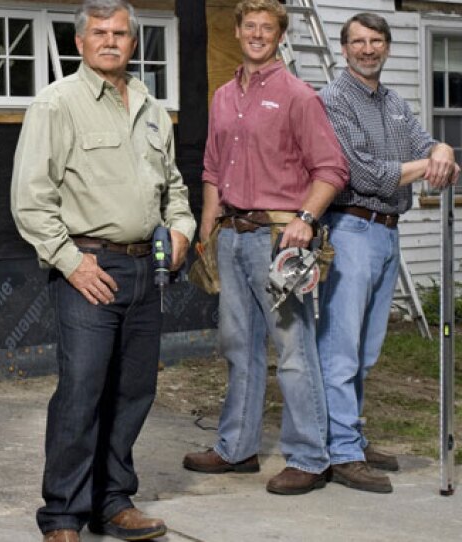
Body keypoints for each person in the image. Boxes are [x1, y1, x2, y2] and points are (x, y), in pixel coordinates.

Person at [11, 2, 194, 540]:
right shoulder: (56, 104)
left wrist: (181, 229)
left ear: (133, 44)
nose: (111, 41)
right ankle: (63, 515)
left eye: (120, 33)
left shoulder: (150, 106)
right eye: (99, 33)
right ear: (80, 42)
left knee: (133, 391)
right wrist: (71, 263)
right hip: (89, 266)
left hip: (147, 268)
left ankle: (113, 501)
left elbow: (175, 188)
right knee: (82, 391)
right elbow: (30, 199)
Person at [182, 0, 349, 495]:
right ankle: (237, 448)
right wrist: (208, 224)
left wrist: (305, 219)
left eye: (267, 28)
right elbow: (212, 167)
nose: (257, 34)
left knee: (293, 350)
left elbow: (331, 170)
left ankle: (311, 456)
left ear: (279, 36)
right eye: (249, 26)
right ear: (237, 31)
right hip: (231, 235)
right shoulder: (222, 96)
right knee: (238, 346)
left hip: (277, 240)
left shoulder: (298, 96)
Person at [316, 12, 459, 494]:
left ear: (388, 47)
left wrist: (440, 146)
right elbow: (366, 174)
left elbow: (424, 142)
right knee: (340, 350)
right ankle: (341, 453)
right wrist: (431, 162)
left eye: (376, 40)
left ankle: (352, 435)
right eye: (358, 41)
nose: (368, 49)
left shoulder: (394, 101)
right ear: (344, 47)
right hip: (350, 228)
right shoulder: (333, 100)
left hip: (387, 232)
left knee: (367, 350)